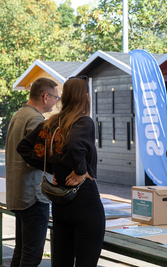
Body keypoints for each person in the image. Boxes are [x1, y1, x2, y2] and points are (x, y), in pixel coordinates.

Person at [17, 76, 105, 266]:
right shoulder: (83, 122)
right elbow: (74, 147)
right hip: (84, 201)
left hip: (61, 204)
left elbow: (24, 147)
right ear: (85, 96)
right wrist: (80, 170)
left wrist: (53, 169)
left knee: (61, 262)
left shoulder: (51, 122)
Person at [5, 77, 58, 267]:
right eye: (55, 97)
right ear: (45, 97)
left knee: (21, 252)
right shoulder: (35, 119)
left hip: (19, 193)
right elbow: (38, 158)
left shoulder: (19, 114)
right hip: (33, 195)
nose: (56, 102)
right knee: (32, 255)